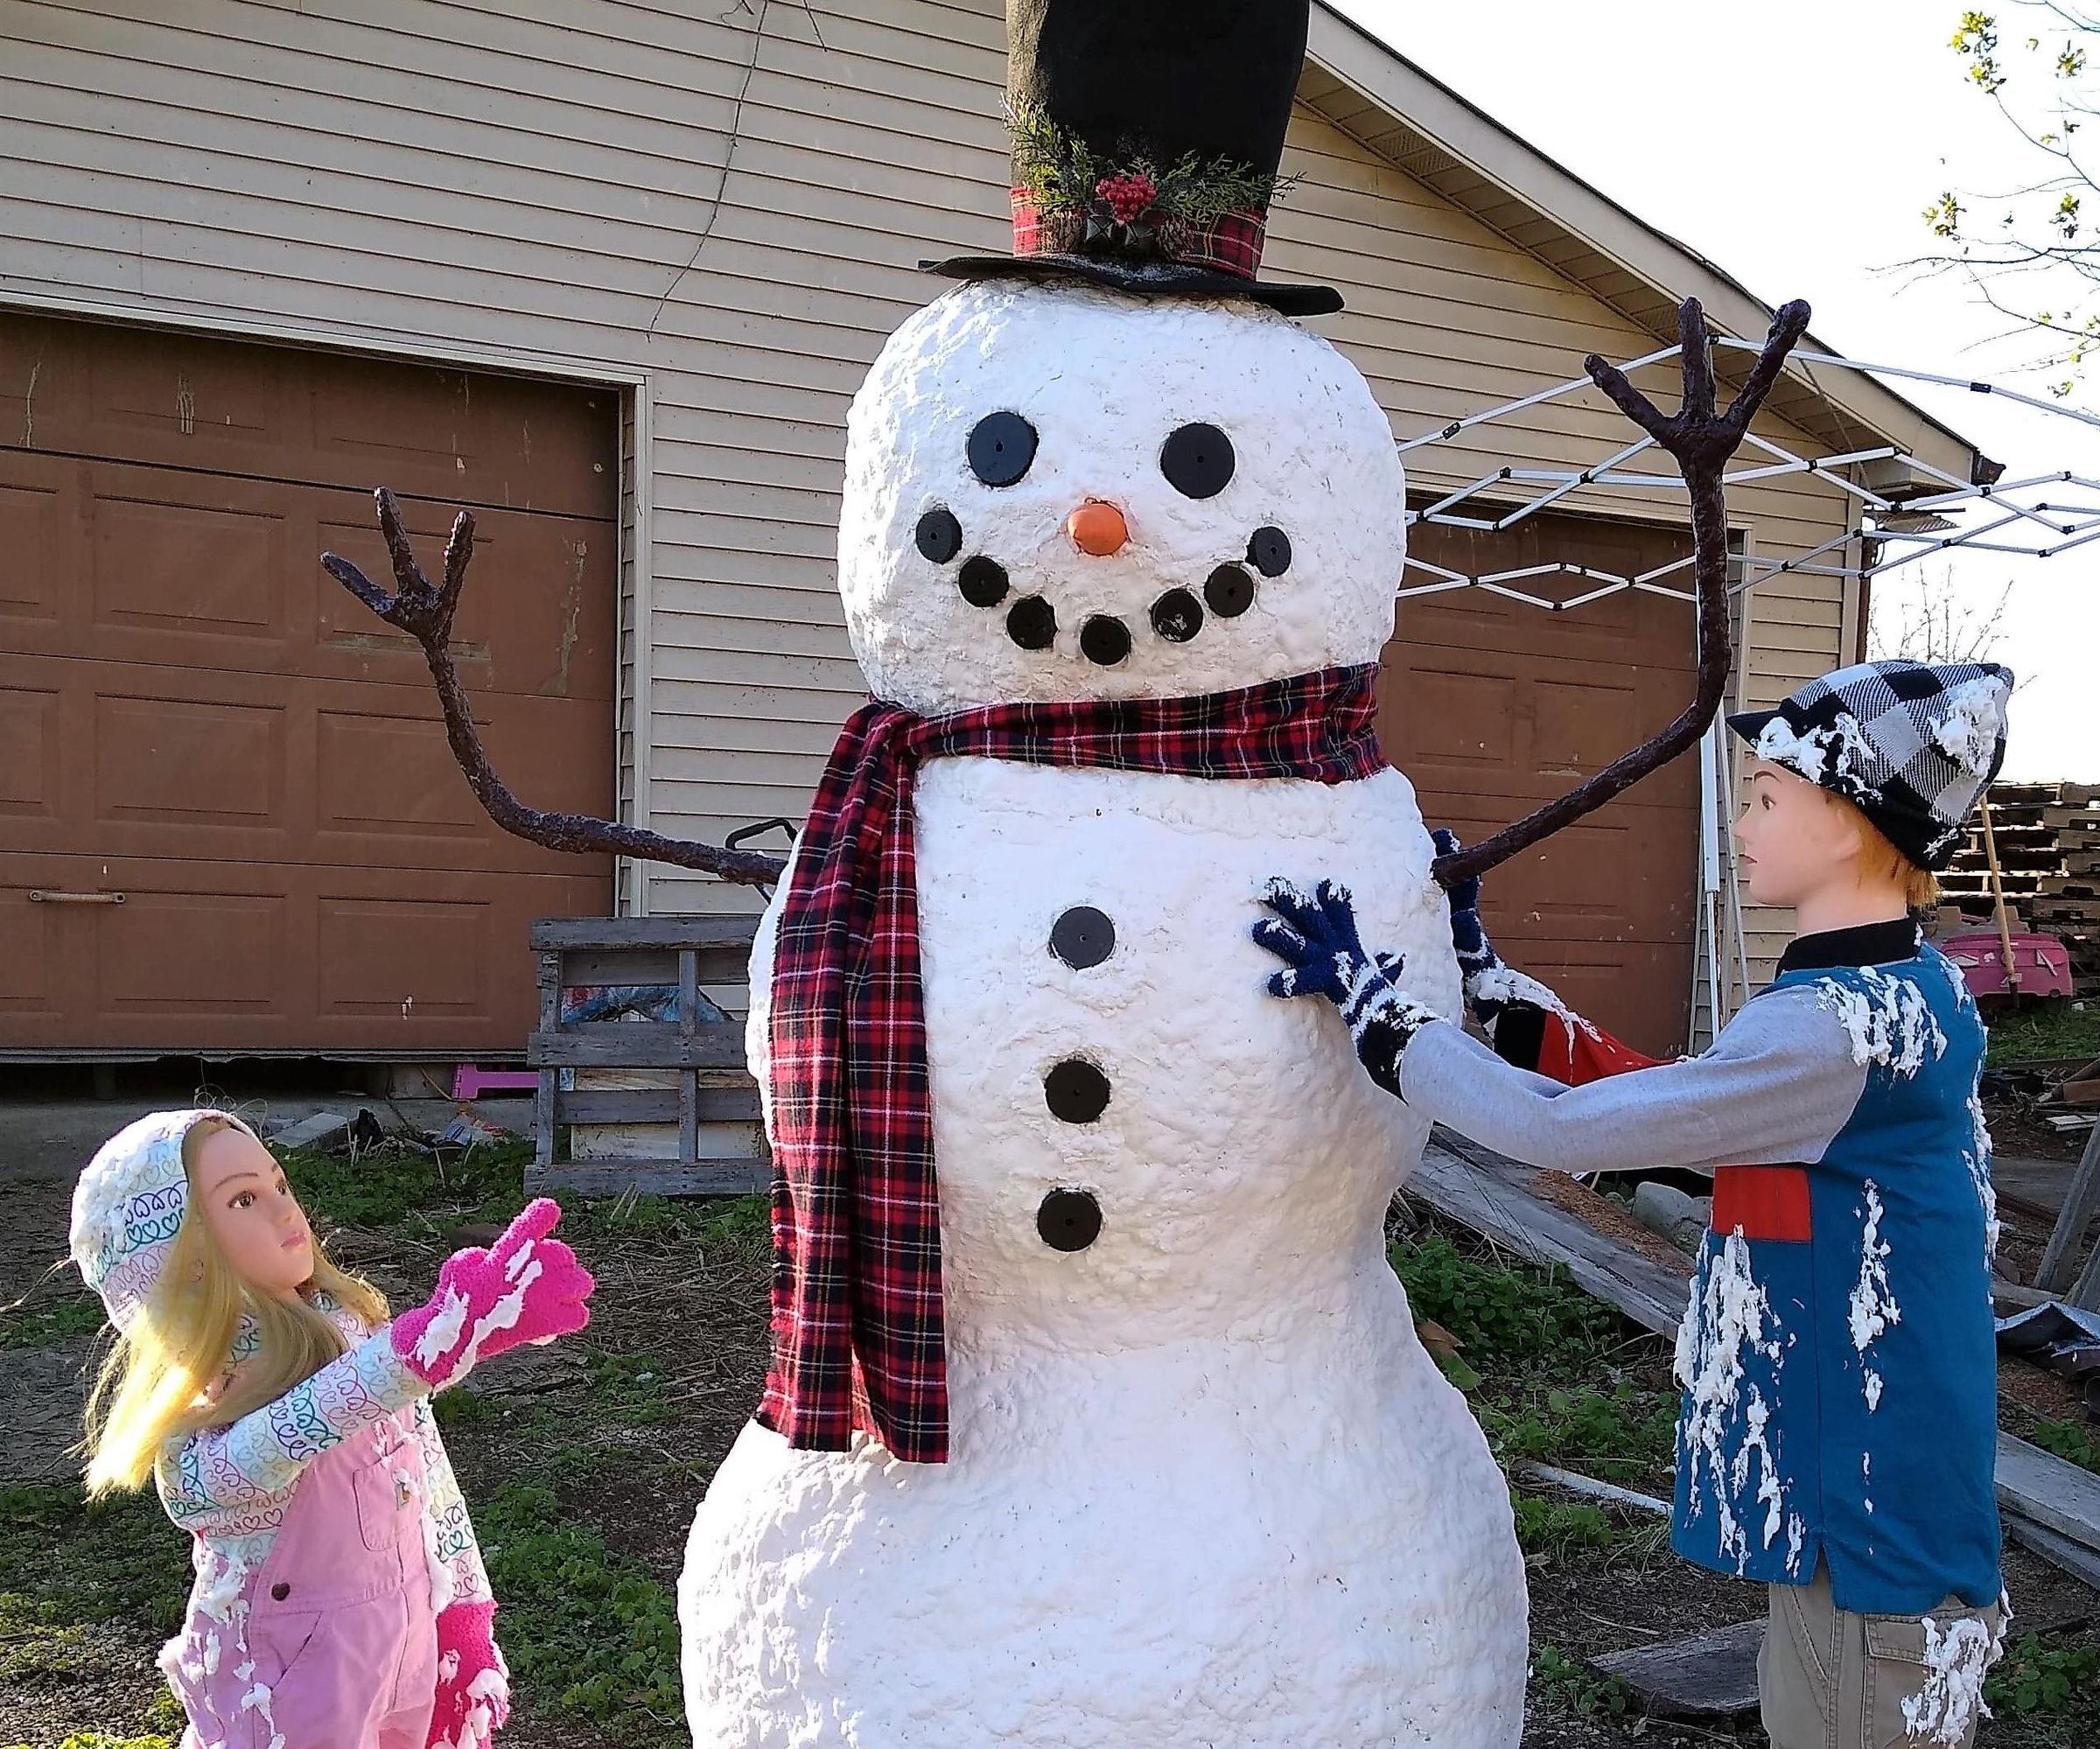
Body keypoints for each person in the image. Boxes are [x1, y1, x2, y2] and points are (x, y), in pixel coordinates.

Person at [1253, 659, 2015, 1749]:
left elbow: (1560, 1131)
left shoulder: (1835, 1031)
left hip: (1875, 1539)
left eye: (1765, 796)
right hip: (1875, 1496)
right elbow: (1686, 1106)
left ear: (1850, 823)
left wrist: (1379, 1007)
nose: (1743, 819)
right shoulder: (1901, 993)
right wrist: (1485, 976)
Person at [72, 1109, 595, 1749]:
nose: (284, 1210)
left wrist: (462, 1609)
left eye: (279, 1184)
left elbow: (429, 1474)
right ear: (180, 1258)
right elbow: (237, 1466)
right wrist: (406, 1358)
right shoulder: (205, 1389)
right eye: (242, 1198)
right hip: (288, 1682)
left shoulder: (349, 1323)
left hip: (400, 1643)